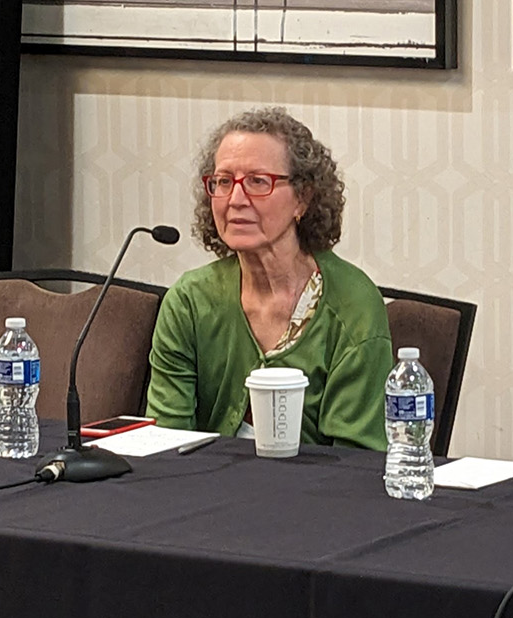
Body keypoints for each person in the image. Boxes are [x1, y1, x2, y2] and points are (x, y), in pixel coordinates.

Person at [147, 107, 394, 449]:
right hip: (203, 491)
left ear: (302, 198)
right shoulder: (189, 300)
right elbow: (166, 441)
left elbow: (355, 465)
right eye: (223, 182)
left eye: (257, 182)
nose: (235, 200)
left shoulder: (353, 304)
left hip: (314, 497)